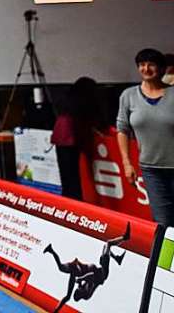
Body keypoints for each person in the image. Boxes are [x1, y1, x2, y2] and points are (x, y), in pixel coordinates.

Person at [117, 48, 174, 225]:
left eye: (151, 64)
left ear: (162, 68)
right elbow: (122, 129)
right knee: (163, 222)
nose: (146, 68)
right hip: (151, 170)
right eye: (142, 65)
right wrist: (127, 163)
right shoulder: (129, 96)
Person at [42, 223, 130, 313]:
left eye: (78, 287)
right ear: (80, 293)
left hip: (86, 270)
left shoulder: (80, 287)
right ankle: (125, 238)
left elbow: (68, 296)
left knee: (61, 268)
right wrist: (80, 279)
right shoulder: (87, 294)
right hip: (102, 273)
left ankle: (51, 250)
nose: (79, 286)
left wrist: (56, 310)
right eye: (79, 288)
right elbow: (91, 276)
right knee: (108, 244)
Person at [51, 77, 105, 200]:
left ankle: (69, 202)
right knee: (74, 176)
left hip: (61, 139)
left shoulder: (67, 101)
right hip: (71, 139)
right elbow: (89, 124)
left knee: (66, 175)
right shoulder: (84, 103)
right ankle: (76, 202)